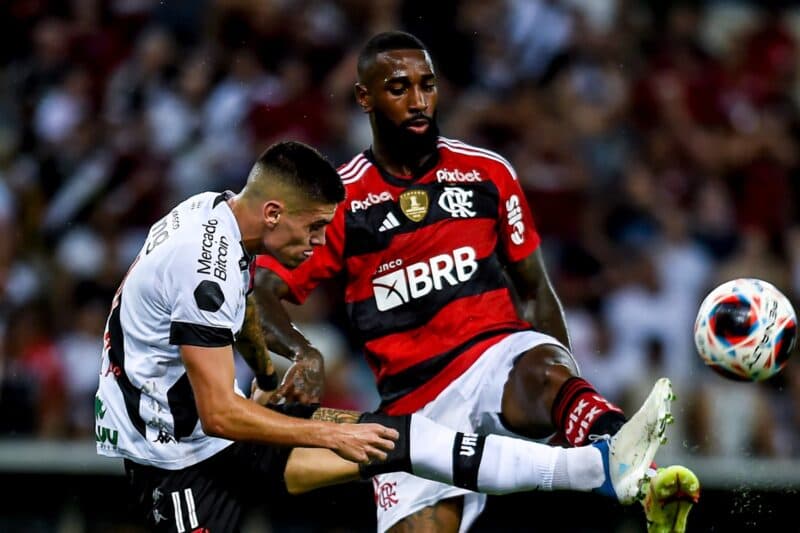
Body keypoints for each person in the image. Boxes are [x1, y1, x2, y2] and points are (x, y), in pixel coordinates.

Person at [95, 139, 687, 533]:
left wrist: (273, 374)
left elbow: (243, 307)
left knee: (400, 440)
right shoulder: (206, 269)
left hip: (216, 434)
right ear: (273, 213)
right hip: (173, 460)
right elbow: (222, 411)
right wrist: (323, 432)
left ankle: (599, 470)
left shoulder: (217, 213)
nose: (315, 244)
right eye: (313, 228)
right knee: (366, 441)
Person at [253, 32, 700, 533]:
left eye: (428, 85)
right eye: (399, 88)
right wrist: (304, 353)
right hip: (413, 409)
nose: (419, 101)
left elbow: (534, 289)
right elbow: (263, 294)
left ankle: (620, 450)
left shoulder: (486, 173)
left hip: (493, 359)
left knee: (543, 366)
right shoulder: (342, 199)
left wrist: (565, 403)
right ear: (365, 98)